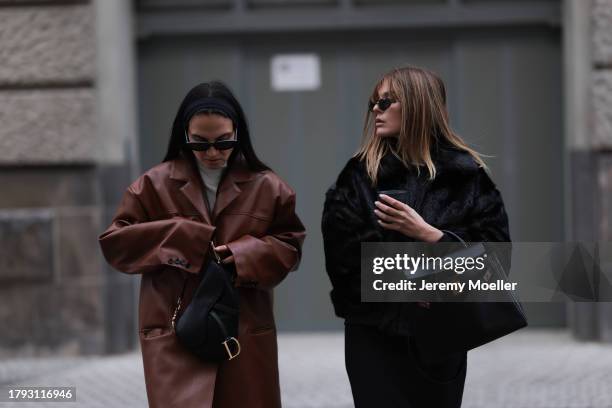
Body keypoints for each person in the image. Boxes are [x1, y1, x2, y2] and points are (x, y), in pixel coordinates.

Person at [99, 81, 306, 408]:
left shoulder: (269, 187)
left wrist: (241, 256)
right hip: (173, 330)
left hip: (242, 331)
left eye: (224, 142)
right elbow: (115, 244)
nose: (212, 153)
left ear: (239, 133)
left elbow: (290, 247)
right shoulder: (152, 185)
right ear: (184, 135)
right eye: (200, 143)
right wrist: (180, 237)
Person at [321, 66, 510, 408]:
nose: (375, 111)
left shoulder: (465, 176)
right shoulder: (358, 177)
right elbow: (345, 267)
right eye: (373, 104)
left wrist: (431, 235)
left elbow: (496, 262)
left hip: (441, 334)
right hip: (373, 336)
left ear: (418, 105)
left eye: (386, 102)